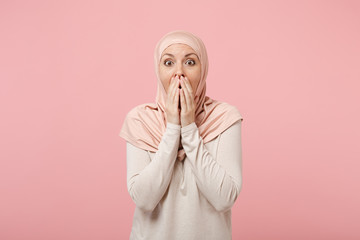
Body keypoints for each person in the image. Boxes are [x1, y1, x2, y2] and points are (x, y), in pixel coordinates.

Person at [119, 30, 244, 240]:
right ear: (157, 70)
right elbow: (144, 199)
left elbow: (224, 199)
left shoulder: (224, 118)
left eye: (190, 62)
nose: (179, 73)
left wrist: (188, 128)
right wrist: (172, 129)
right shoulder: (140, 120)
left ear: (203, 69)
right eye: (168, 63)